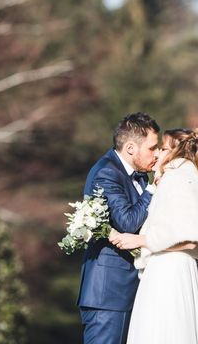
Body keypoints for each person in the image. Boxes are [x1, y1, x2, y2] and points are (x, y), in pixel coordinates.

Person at [109, 128, 198, 344]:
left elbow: (191, 239)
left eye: (161, 149)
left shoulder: (178, 177)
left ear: (175, 152)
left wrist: (140, 240)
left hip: (169, 271)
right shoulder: (186, 177)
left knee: (163, 332)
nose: (156, 155)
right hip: (172, 268)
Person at [77, 112, 161, 344]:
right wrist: (154, 187)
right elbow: (127, 222)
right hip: (109, 296)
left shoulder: (139, 175)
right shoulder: (107, 172)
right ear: (131, 148)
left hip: (128, 293)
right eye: (152, 148)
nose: (157, 154)